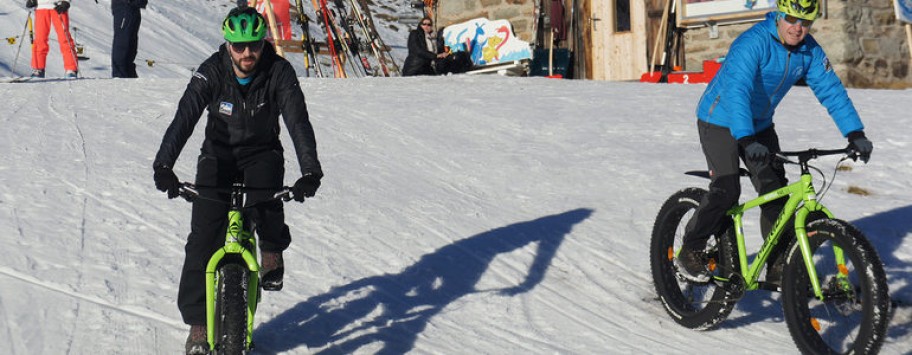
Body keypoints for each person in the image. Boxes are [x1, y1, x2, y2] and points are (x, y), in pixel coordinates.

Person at [151, 7, 322, 354]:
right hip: (219, 155)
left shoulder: (279, 72)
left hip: (262, 152)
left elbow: (297, 121)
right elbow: (185, 116)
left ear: (263, 43)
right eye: (240, 46)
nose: (247, 54)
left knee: (267, 200)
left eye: (254, 46)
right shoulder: (211, 72)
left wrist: (310, 171)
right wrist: (164, 165)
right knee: (203, 238)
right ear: (228, 44)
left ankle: (272, 250)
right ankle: (199, 326)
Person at [674, 0, 874, 284]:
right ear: (779, 15)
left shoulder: (809, 51)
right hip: (719, 119)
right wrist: (745, 138)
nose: (798, 28)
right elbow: (737, 92)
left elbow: (831, 91)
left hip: (760, 125)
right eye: (792, 19)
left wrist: (855, 133)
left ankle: (779, 263)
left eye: (806, 22)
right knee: (727, 188)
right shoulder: (751, 43)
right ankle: (691, 249)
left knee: (776, 192)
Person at [25, 0, 78, 78]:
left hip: (58, 6)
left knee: (64, 38)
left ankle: (71, 69)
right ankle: (38, 68)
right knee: (40, 39)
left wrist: (66, 2)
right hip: (41, 6)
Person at [111, 0, 146, 78]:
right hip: (124, 6)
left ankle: (129, 73)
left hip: (134, 6)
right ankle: (119, 75)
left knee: (131, 43)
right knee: (123, 42)